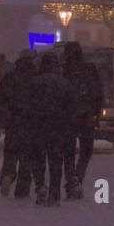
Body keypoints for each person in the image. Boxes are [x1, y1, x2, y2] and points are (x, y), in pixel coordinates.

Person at [28, 51, 74, 206]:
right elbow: (70, 106)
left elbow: (27, 104)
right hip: (57, 125)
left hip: (38, 124)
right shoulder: (64, 83)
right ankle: (55, 194)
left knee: (39, 158)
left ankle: (40, 186)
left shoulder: (34, 82)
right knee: (55, 161)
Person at [61, 42, 103, 200]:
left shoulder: (63, 70)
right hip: (86, 116)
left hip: (68, 117)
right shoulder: (89, 69)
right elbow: (98, 92)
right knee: (86, 150)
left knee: (69, 152)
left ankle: (71, 180)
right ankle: (78, 177)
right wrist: (96, 113)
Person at [0, 50, 37, 197]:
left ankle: (7, 175)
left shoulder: (10, 77)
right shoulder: (36, 78)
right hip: (30, 124)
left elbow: (0, 100)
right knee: (26, 158)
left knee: (10, 154)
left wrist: (0, 121)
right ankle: (22, 190)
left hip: (13, 124)